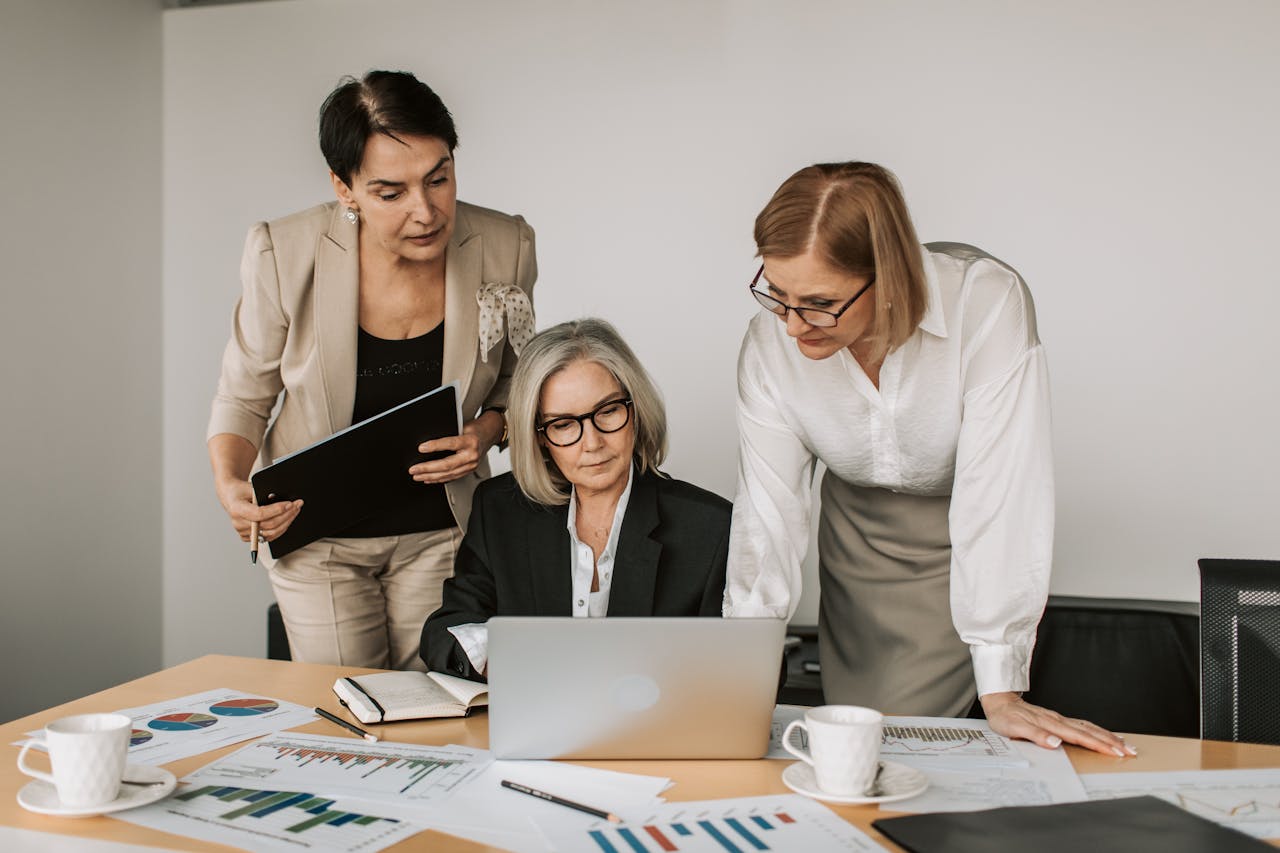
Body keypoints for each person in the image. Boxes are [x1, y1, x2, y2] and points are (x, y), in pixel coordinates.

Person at [725, 161, 1133, 756]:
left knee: (922, 746)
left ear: (886, 276)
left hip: (964, 528)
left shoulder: (985, 303)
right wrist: (742, 675)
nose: (791, 326)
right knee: (862, 738)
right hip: (858, 538)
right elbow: (768, 515)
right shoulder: (768, 346)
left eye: (819, 303)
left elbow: (1000, 492)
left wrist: (1002, 685)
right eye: (776, 294)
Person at [207, 70, 537, 671]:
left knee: (440, 707)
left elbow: (520, 385)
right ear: (345, 187)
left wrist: (484, 434)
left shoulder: (505, 242)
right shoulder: (283, 252)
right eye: (391, 192)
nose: (426, 211)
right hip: (317, 537)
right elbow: (244, 396)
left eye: (439, 178)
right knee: (351, 714)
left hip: (444, 529)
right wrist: (232, 485)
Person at [421, 318, 730, 680]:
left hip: (655, 729)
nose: (593, 442)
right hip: (532, 727)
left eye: (608, 411)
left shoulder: (711, 527)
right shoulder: (500, 509)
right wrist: (498, 654)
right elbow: (445, 629)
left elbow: (756, 667)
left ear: (636, 410)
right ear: (539, 435)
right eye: (564, 424)